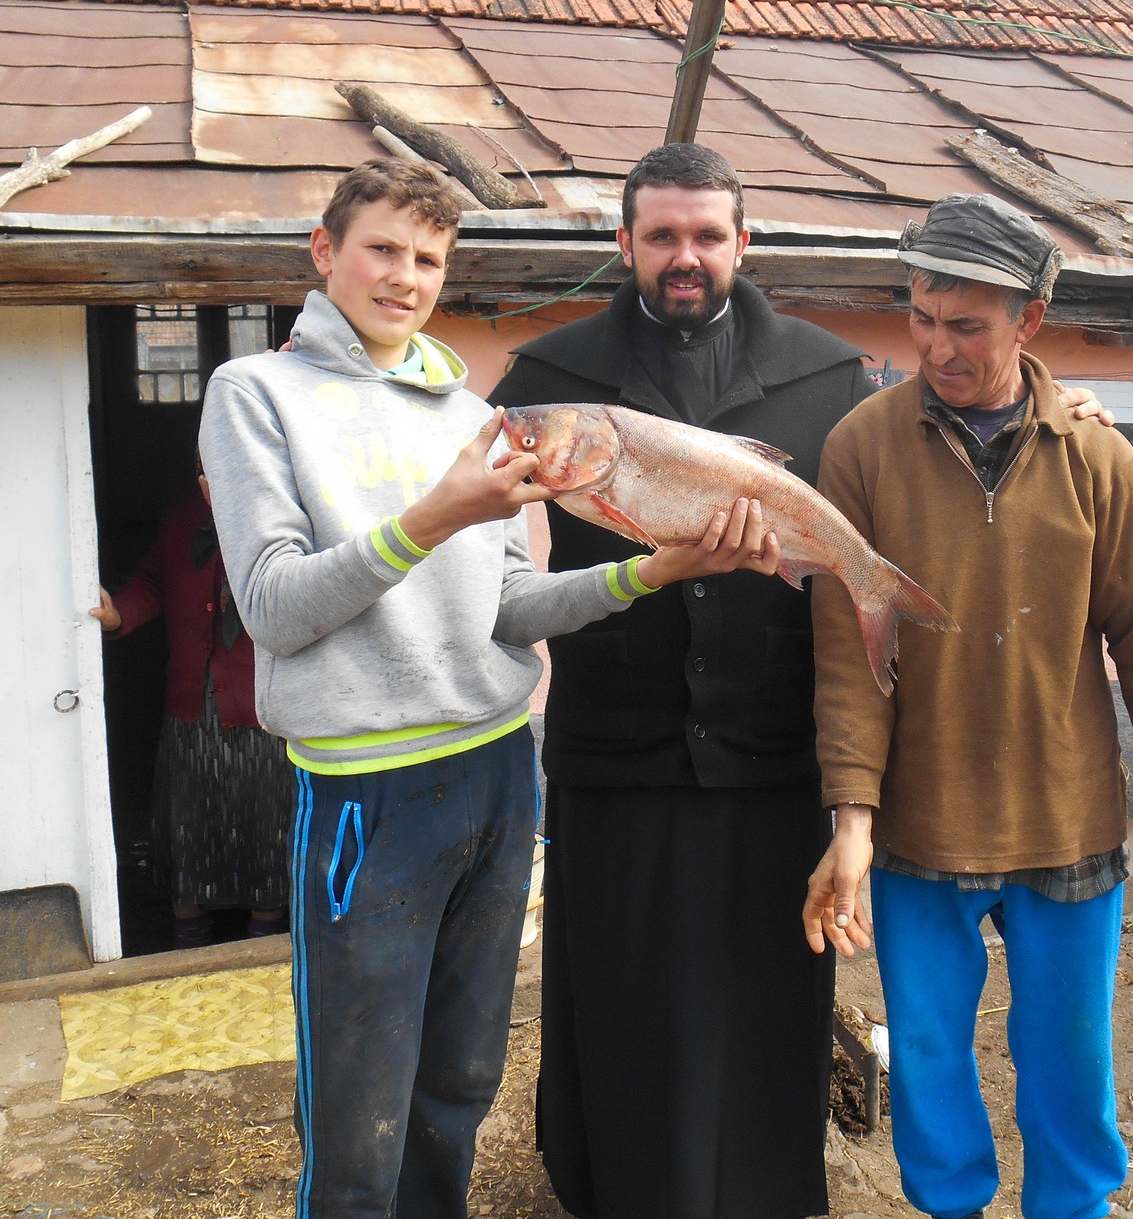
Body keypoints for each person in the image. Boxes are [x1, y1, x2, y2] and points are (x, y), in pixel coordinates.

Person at [488, 145, 1113, 1219]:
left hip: (772, 752)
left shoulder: (829, 373)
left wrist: (1062, 407)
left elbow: (939, 454)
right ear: (626, 243)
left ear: (744, 241)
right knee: (625, 1000)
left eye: (707, 235)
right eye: (661, 235)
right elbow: (485, 545)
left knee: (766, 1002)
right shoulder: (550, 381)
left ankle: (768, 1195)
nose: (685, 256)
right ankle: (625, 1192)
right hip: (617, 749)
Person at [198, 158, 775, 1219]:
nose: (403, 275)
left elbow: (508, 605)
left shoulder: (473, 412)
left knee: (460, 1079)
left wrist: (651, 570)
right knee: (359, 1109)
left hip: (500, 775)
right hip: (368, 795)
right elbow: (275, 606)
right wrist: (437, 513)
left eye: (427, 257)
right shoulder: (256, 395)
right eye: (380, 248)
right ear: (325, 252)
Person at [803, 193, 1133, 1219]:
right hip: (919, 824)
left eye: (967, 325)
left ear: (1029, 320)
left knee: (1070, 1068)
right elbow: (848, 657)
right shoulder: (862, 448)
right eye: (921, 317)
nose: (936, 346)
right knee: (933, 1067)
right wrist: (851, 823)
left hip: (1067, 818)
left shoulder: (1098, 456)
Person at [92, 471, 290, 947]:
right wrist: (118, 613)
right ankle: (188, 936)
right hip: (191, 699)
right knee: (190, 821)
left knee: (265, 818)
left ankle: (263, 937)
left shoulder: (283, 508)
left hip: (264, 702)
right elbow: (152, 581)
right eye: (204, 462)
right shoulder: (182, 517)